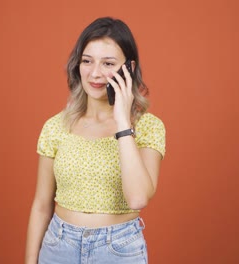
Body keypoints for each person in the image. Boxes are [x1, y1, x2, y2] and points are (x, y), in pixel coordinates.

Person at [25, 17, 166, 264]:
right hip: (58, 247)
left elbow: (138, 198)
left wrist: (123, 122)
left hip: (118, 251)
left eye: (108, 63)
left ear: (129, 68)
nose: (95, 73)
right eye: (87, 61)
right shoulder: (57, 126)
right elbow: (41, 205)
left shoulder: (147, 127)